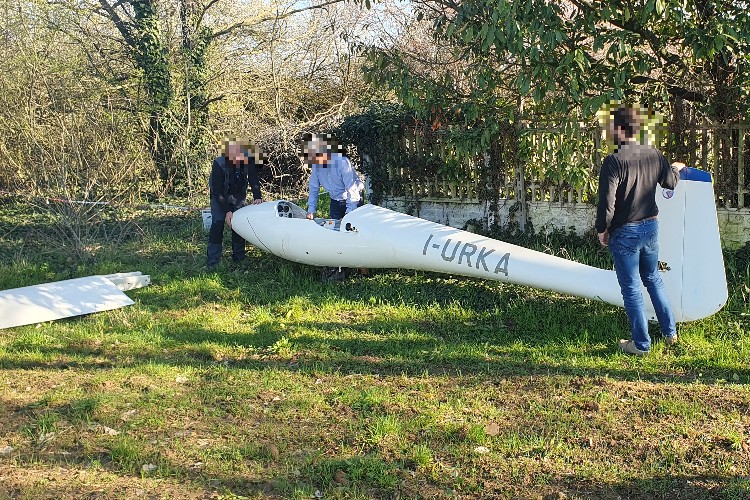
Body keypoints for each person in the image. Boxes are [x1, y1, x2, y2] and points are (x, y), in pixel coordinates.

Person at [595, 105, 685, 356]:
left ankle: (641, 345)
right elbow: (671, 182)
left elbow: (607, 202)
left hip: (625, 232)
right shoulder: (654, 154)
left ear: (620, 129)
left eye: (611, 127)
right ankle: (670, 333)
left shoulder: (613, 161)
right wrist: (676, 168)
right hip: (650, 227)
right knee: (653, 279)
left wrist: (602, 229)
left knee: (632, 288)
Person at [206, 139, 263, 269]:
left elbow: (253, 179)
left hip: (237, 195)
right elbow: (217, 191)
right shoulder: (219, 164)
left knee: (238, 225)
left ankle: (239, 257)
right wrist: (227, 211)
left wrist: (257, 197)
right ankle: (213, 261)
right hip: (219, 197)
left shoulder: (248, 159)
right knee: (218, 225)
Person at [303, 133, 364, 221]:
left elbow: (352, 190)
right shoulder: (316, 165)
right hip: (335, 199)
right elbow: (313, 188)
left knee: (354, 228)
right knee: (336, 228)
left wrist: (348, 214)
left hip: (354, 197)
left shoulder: (342, 162)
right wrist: (311, 210)